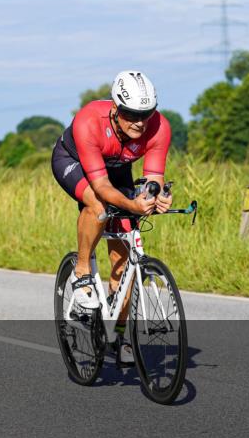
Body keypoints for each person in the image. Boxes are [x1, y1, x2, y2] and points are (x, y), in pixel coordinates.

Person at [51, 70, 173, 365]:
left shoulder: (159, 127)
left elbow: (153, 179)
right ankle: (82, 272)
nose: (140, 122)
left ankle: (118, 334)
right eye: (131, 114)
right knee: (98, 205)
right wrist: (132, 204)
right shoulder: (89, 120)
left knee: (125, 256)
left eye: (146, 113)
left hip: (117, 169)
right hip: (74, 162)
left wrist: (156, 197)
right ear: (116, 108)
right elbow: (102, 187)